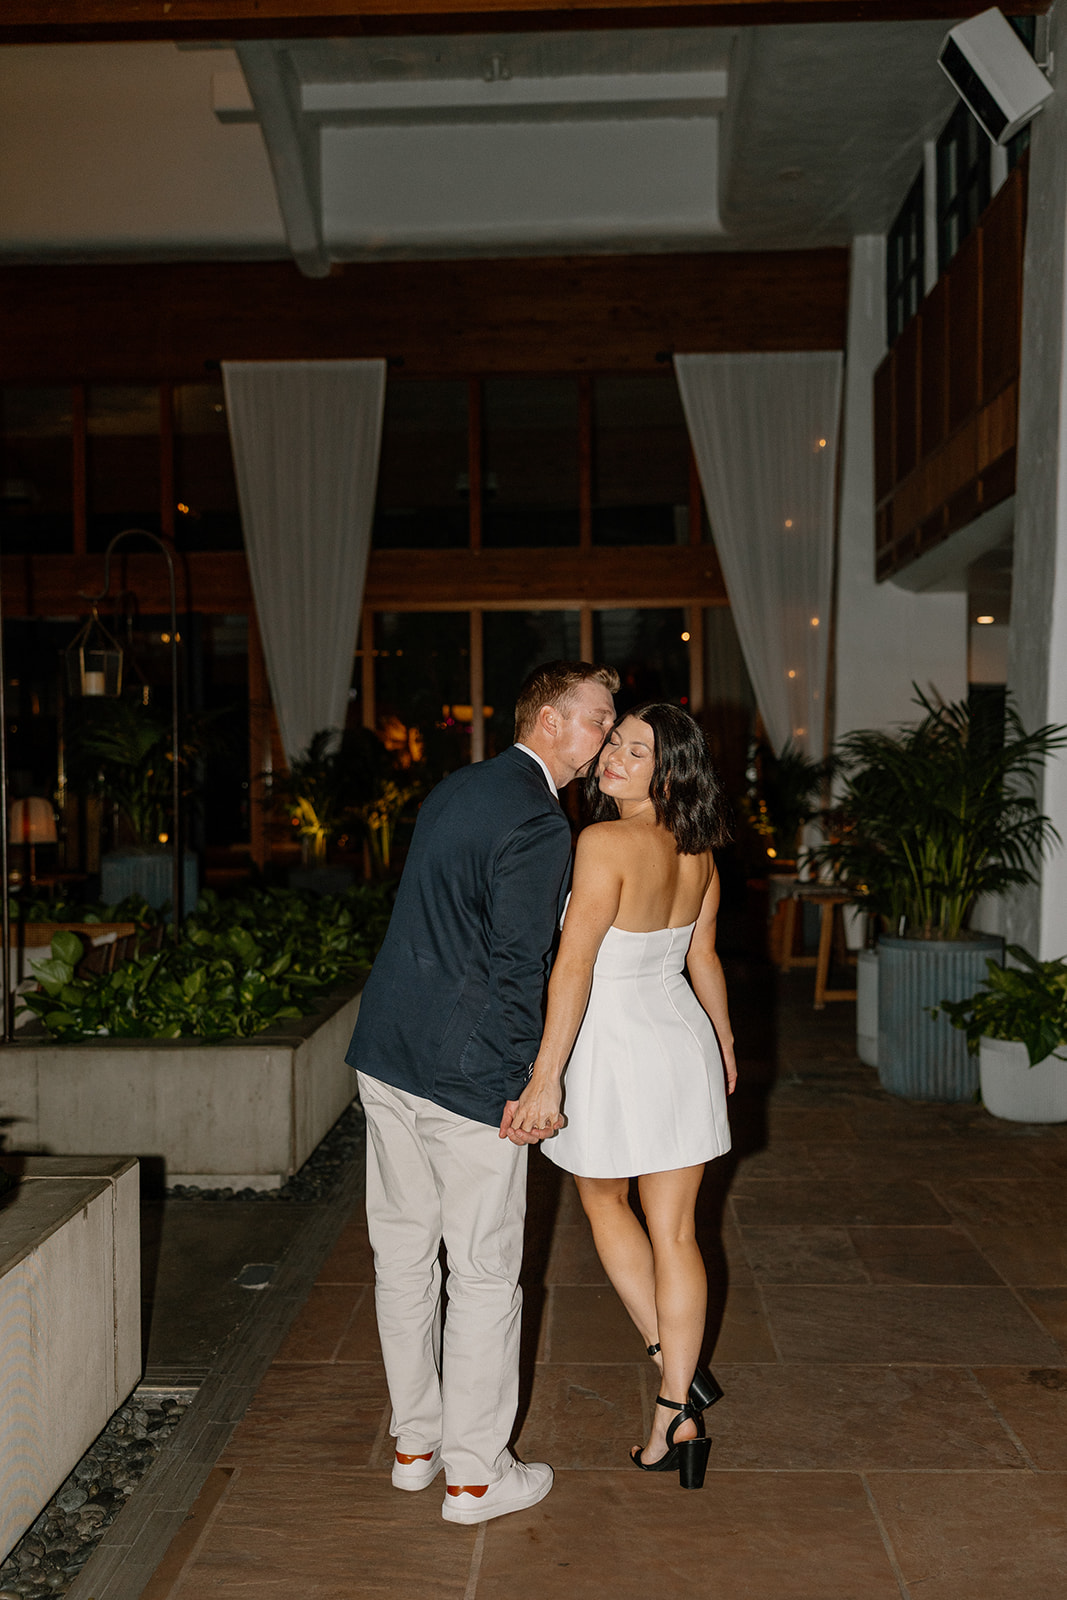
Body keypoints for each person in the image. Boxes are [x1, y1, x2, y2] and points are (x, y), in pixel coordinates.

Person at [346, 660, 618, 1525]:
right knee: (487, 1274)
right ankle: (474, 1476)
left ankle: (415, 1445)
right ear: (546, 720)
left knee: (402, 1257)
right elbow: (518, 967)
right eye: (597, 719)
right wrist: (524, 1084)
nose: (606, 736)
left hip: (386, 1050)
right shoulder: (541, 823)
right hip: (468, 1075)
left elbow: (426, 921)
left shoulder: (456, 788)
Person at [502, 702, 736, 1490]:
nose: (612, 758)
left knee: (605, 1203)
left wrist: (545, 1074)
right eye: (613, 745)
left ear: (668, 770)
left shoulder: (600, 841)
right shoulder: (700, 850)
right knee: (676, 1233)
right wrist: (725, 1042)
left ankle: (677, 1386)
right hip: (680, 1039)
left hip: (615, 1041)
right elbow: (702, 956)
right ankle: (677, 1397)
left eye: (635, 751)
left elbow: (573, 968)